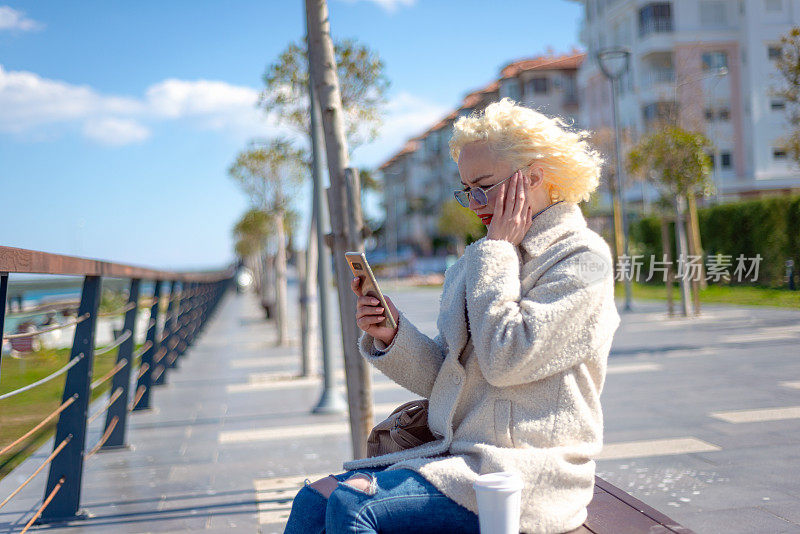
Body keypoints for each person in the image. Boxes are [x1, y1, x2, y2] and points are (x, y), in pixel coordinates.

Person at [284, 98, 621, 534]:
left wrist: (497, 251)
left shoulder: (581, 258)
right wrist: (392, 334)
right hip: (462, 460)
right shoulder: (480, 260)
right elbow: (447, 380)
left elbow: (507, 359)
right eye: (466, 190)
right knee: (314, 500)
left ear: (534, 177)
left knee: (354, 506)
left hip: (529, 474)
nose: (474, 203)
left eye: (484, 186)